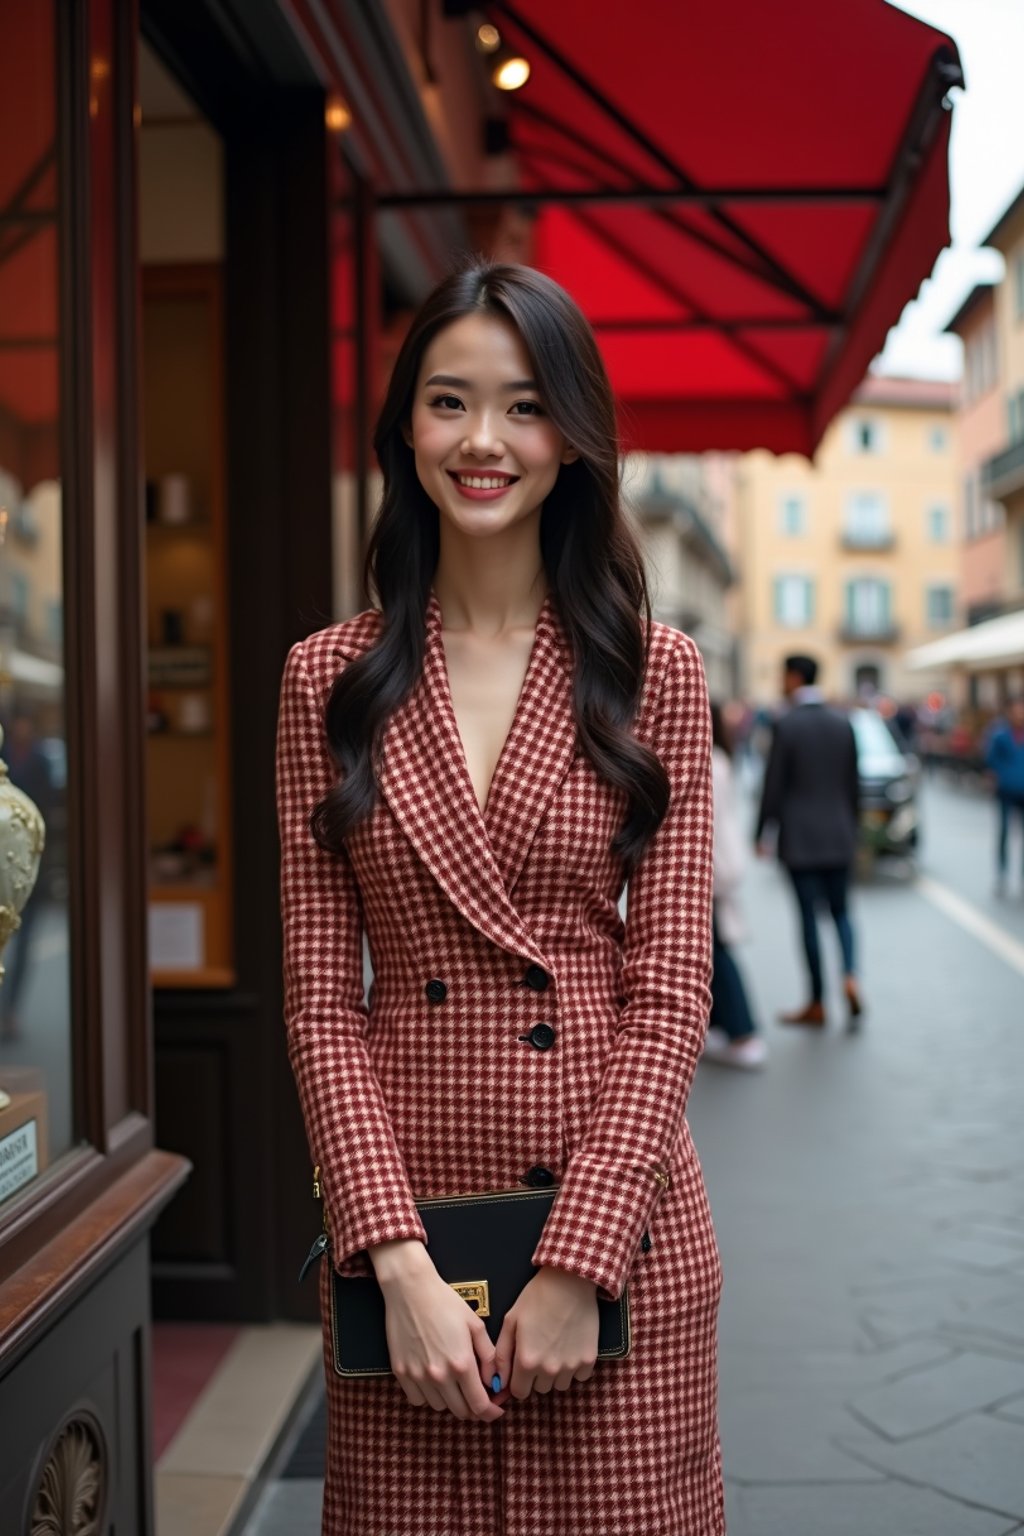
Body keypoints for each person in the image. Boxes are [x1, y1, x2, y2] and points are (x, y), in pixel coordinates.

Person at [276, 261, 723, 1535]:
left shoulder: (656, 676)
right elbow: (319, 1002)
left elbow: (670, 988)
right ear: (403, 430)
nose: (483, 442)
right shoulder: (328, 679)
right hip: (405, 1242)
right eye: (447, 402)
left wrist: (581, 1258)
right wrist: (394, 1257)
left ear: (574, 438)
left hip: (619, 1234)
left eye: (524, 407)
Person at [754, 654, 864, 1029]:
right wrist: (854, 828)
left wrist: (761, 832)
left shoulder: (787, 724)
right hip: (840, 832)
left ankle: (817, 1001)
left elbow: (773, 787)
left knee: (808, 921)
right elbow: (853, 783)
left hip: (799, 839)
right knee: (842, 912)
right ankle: (850, 975)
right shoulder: (843, 721)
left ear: (795, 678)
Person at [703, 701, 767, 1069]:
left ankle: (743, 1032)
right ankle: (726, 1028)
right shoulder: (721, 758)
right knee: (713, 947)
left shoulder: (709, 760)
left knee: (717, 950)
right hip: (723, 860)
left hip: (713, 865)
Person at [986, 696, 1024, 896]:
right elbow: (991, 759)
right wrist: (1002, 776)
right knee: (1004, 833)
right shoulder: (1000, 734)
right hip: (1006, 791)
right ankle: (1002, 874)